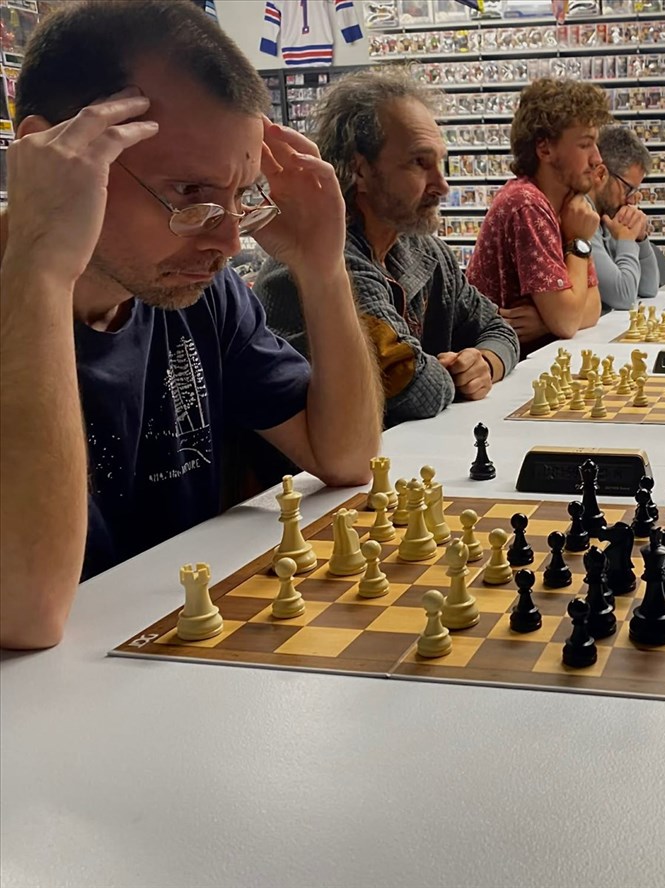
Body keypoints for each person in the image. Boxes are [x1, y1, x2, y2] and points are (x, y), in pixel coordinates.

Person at [0, 0, 381, 650]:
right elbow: (25, 613)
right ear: (50, 154)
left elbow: (347, 458)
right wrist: (38, 270)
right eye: (189, 194)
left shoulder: (197, 292)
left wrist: (323, 269)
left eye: (241, 197)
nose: (229, 242)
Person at [255, 69, 519, 426]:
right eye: (419, 163)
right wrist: (451, 373)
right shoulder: (322, 263)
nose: (442, 185)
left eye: (439, 162)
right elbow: (414, 390)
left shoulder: (424, 252)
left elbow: (499, 329)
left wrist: (485, 361)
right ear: (360, 170)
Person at [466, 78, 611, 355]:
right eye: (585, 145)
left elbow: (593, 307)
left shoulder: (566, 207)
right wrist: (578, 241)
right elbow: (567, 322)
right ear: (544, 149)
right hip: (503, 370)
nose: (597, 159)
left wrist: (547, 322)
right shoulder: (527, 203)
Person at [587, 125, 659, 311]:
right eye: (627, 188)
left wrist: (640, 239)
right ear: (601, 174)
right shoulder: (583, 218)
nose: (631, 199)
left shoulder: (608, 216)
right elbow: (624, 297)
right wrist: (626, 239)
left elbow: (649, 288)